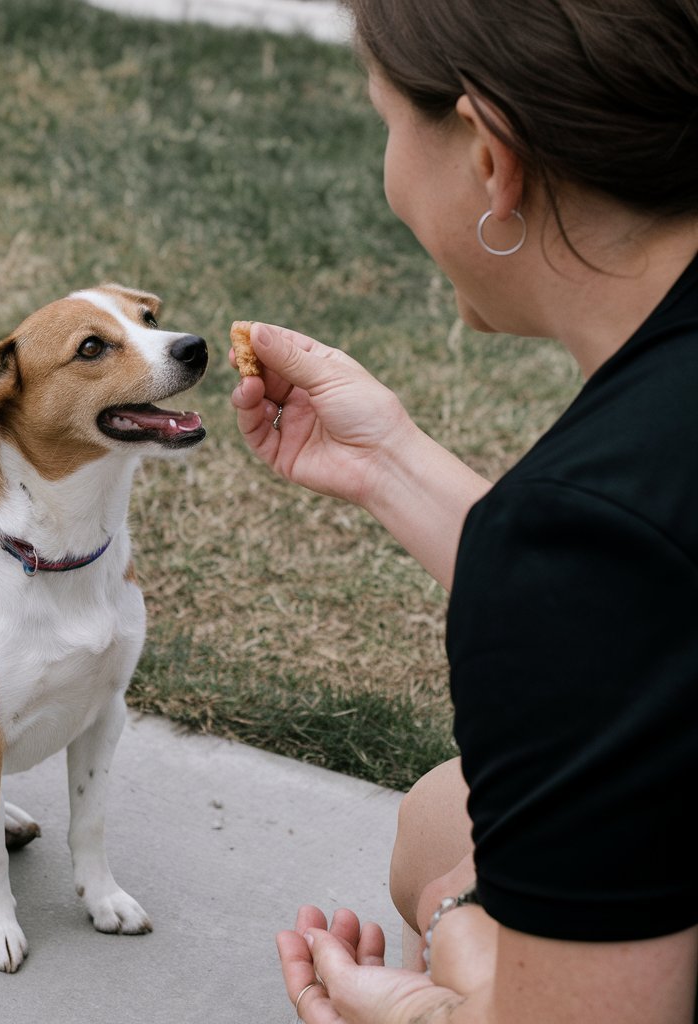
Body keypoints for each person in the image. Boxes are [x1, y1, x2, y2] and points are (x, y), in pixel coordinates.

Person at [230, 1, 698, 1021]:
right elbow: (648, 605)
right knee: (443, 815)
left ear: (491, 158)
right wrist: (388, 460)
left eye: (387, 123)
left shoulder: (582, 538)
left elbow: (600, 576)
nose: (388, 170)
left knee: (454, 873)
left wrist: (442, 984)